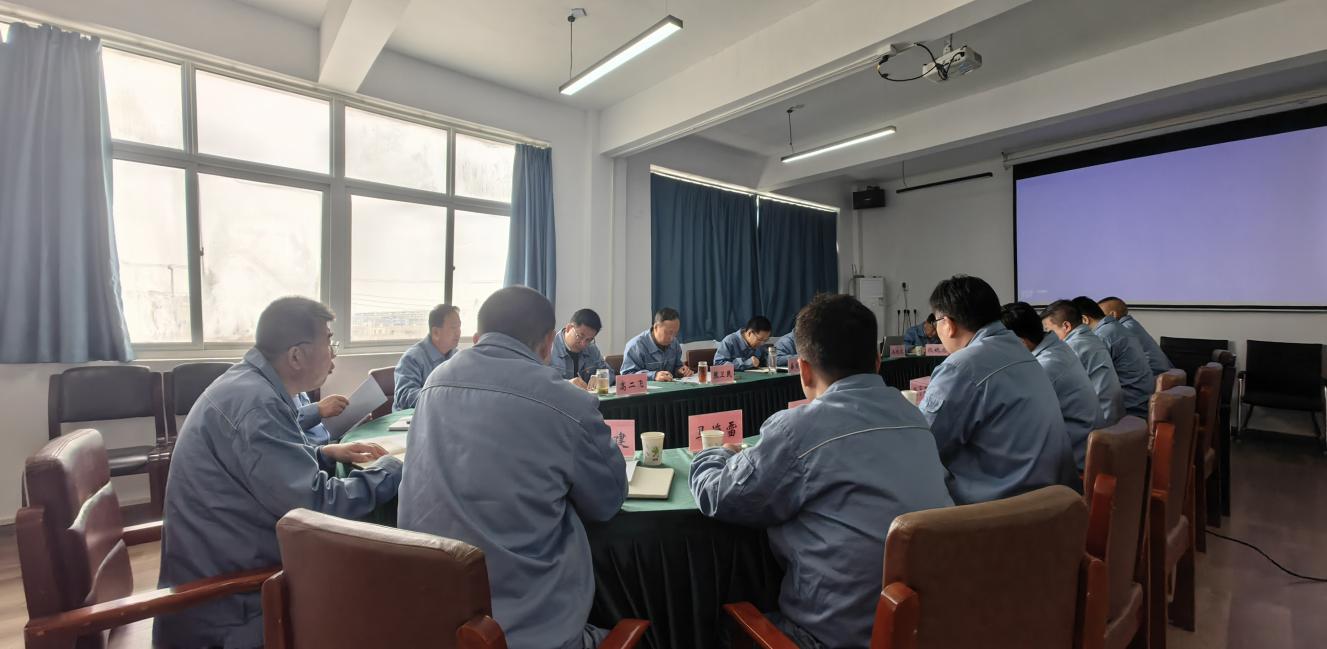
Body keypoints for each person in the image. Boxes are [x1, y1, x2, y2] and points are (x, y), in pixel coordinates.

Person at [690, 294, 953, 649]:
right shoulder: (915, 417)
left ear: (804, 369)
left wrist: (714, 453)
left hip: (830, 638)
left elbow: (721, 496)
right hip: (927, 629)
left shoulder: (796, 430)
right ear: (877, 362)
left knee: (721, 624)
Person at [156, 297, 402, 648]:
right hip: (232, 606)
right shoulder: (257, 404)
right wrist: (391, 469)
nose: (334, 356)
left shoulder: (247, 384)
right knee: (381, 584)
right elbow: (317, 506)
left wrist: (322, 453)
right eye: (329, 343)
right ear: (296, 356)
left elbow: (259, 466)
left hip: (227, 562)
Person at [398, 287, 627, 649]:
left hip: (433, 616)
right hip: (529, 627)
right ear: (549, 342)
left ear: (478, 336)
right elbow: (607, 501)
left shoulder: (434, 383)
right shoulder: (569, 403)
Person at [919, 276, 1073, 504]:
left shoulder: (961, 367)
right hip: (1050, 499)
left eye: (936, 320)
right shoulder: (1022, 351)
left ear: (948, 324)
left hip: (1002, 510)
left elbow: (923, 443)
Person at [1002, 302, 1101, 471]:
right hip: (1081, 446)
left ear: (1020, 342)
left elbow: (1016, 422)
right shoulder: (1057, 348)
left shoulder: (1046, 366)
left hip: (1074, 462)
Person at [1042, 300, 1126, 427]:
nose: (1047, 337)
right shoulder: (1089, 337)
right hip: (1112, 413)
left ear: (1066, 326)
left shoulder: (1072, 346)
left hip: (1101, 422)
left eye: (1049, 331)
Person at [1072, 296, 1152, 418]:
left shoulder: (1102, 335)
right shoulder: (1114, 328)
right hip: (1140, 399)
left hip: (1130, 406)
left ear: (1085, 320)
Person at [393, 303, 461, 410]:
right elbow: (404, 397)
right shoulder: (412, 358)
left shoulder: (458, 357)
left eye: (459, 327)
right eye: (453, 327)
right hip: (413, 418)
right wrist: (442, 396)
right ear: (436, 332)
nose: (458, 332)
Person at [1099, 296, 1173, 376]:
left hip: (1152, 374)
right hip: (1157, 372)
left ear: (1113, 315)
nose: (1097, 319)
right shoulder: (1130, 324)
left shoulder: (1122, 329)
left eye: (1099, 315)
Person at [621, 307, 694, 381]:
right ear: (655, 327)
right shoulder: (635, 346)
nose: (672, 338)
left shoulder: (674, 343)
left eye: (675, 333)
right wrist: (653, 376)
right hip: (648, 388)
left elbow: (677, 366)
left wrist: (681, 371)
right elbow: (626, 376)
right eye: (669, 333)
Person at [550, 308, 614, 388]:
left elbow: (610, 373)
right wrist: (566, 384)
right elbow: (540, 381)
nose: (583, 344)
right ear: (569, 328)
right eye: (580, 336)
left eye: (589, 340)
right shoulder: (548, 347)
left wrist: (601, 378)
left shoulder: (592, 349)